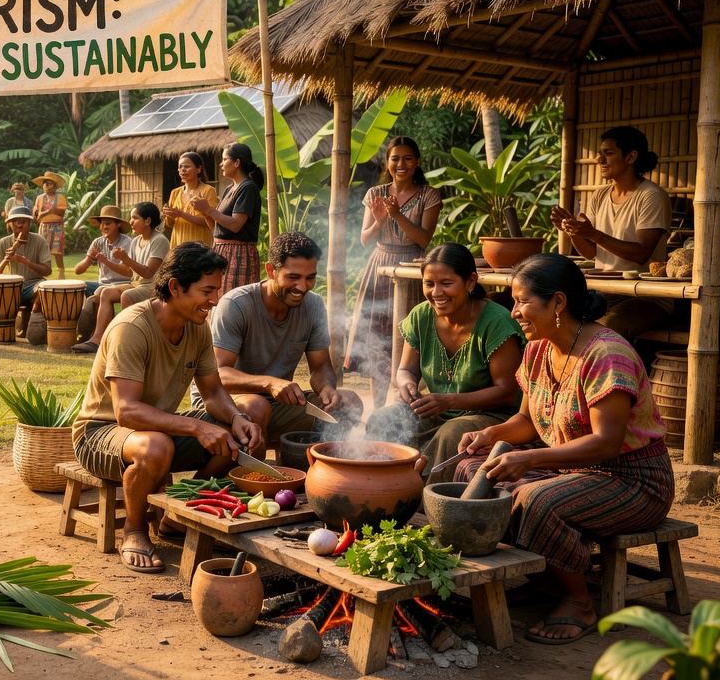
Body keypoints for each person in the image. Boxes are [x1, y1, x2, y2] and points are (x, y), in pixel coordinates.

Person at [452, 253, 672, 645]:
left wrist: (531, 457)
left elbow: (605, 443)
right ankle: (548, 582)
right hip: (573, 472)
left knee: (535, 499)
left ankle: (578, 601)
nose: (514, 311)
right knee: (474, 471)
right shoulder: (537, 349)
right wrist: (490, 436)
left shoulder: (607, 354)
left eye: (522, 301)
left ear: (558, 302)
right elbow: (526, 421)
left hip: (633, 480)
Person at [72, 242, 265, 573]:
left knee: (241, 427)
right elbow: (127, 412)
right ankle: (134, 529)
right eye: (207, 290)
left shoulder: (197, 326)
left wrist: (236, 418)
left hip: (158, 429)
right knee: (157, 445)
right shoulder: (131, 328)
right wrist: (196, 427)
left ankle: (177, 515)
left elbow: (214, 390)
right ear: (175, 287)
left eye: (218, 290)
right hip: (99, 432)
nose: (216, 300)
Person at [367, 243, 525, 482]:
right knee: (382, 420)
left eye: (446, 284)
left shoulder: (496, 322)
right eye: (429, 284)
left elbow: (507, 393)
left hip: (494, 416)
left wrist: (450, 400)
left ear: (471, 282)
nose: (436, 293)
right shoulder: (421, 315)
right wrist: (407, 384)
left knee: (451, 434)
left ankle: (423, 502)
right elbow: (406, 369)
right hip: (439, 410)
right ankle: (378, 486)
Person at [201, 232, 363, 456]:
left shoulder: (314, 305)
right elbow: (218, 375)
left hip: (278, 404)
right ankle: (259, 481)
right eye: (293, 277)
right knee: (257, 406)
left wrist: (326, 387)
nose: (303, 287)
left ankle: (321, 474)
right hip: (226, 404)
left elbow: (320, 367)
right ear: (270, 270)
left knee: (349, 403)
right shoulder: (236, 304)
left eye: (310, 278)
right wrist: (270, 384)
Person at [551, 126, 673, 342]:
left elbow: (641, 253)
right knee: (554, 314)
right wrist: (574, 232)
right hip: (604, 292)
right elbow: (591, 253)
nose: (600, 159)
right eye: (601, 153)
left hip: (646, 296)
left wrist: (594, 234)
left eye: (608, 153)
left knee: (611, 325)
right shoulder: (600, 195)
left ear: (631, 157)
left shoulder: (651, 196)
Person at [348, 136, 441, 406]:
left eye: (407, 158)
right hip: (379, 266)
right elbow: (364, 240)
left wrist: (397, 215)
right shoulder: (374, 194)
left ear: (417, 162)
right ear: (387, 162)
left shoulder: (429, 195)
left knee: (409, 335)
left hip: (413, 269)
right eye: (395, 158)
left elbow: (423, 240)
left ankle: (404, 406)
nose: (401, 164)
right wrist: (378, 222)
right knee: (376, 336)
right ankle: (377, 409)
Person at [73, 202, 168, 354]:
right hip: (136, 284)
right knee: (105, 293)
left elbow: (149, 273)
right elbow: (131, 273)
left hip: (151, 285)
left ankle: (127, 339)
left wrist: (124, 258)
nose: (131, 222)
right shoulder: (136, 240)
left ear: (148, 221)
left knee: (127, 295)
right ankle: (97, 340)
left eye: (134, 218)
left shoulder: (159, 240)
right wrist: (120, 259)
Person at [192, 143, 263, 295]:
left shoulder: (247, 188)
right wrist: (205, 213)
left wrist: (209, 209)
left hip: (238, 254)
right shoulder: (229, 189)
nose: (221, 164)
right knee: (218, 299)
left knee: (235, 301)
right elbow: (217, 229)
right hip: (221, 251)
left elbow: (236, 225)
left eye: (224, 159)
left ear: (236, 162)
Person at [0, 205, 53, 329]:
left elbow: (48, 270)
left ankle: (34, 324)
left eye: (23, 221)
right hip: (14, 285)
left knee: (43, 289)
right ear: (9, 224)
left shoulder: (39, 241)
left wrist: (27, 262)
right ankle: (7, 325)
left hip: (34, 283)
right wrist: (6, 259)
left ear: (30, 223)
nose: (19, 224)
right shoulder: (3, 243)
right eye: (15, 221)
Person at [72, 204, 132, 296]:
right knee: (79, 286)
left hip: (122, 283)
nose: (104, 227)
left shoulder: (127, 242)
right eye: (102, 224)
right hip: (102, 284)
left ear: (118, 224)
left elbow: (128, 272)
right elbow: (77, 271)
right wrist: (90, 259)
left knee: (100, 292)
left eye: (108, 223)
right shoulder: (98, 242)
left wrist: (105, 261)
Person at [161, 152, 218, 247]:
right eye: (180, 167)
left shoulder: (208, 190)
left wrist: (181, 214)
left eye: (187, 167)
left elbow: (210, 222)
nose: (182, 170)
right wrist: (168, 215)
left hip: (200, 245)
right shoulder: (175, 193)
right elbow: (170, 224)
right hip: (178, 244)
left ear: (199, 169)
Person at [32, 171, 68, 276]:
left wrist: (44, 213)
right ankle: (42, 270)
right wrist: (48, 212)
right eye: (46, 183)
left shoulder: (60, 197)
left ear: (55, 186)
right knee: (42, 249)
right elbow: (36, 214)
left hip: (57, 226)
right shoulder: (39, 198)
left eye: (50, 183)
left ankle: (61, 271)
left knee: (57, 250)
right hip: (44, 226)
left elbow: (60, 212)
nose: (48, 186)